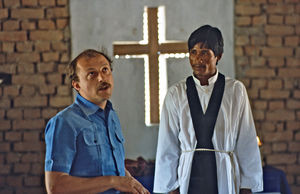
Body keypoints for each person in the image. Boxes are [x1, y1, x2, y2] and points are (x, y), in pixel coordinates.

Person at [153, 25, 263, 194]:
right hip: (189, 176)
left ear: (218, 56)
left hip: (223, 174)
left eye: (205, 52)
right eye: (193, 52)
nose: (198, 59)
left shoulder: (235, 91)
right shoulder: (176, 94)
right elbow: (167, 145)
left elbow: (246, 141)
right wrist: (170, 187)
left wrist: (247, 186)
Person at [44, 49, 149, 194]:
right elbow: (55, 186)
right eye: (92, 74)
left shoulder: (111, 116)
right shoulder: (64, 122)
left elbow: (112, 165)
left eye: (105, 70)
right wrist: (113, 181)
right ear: (77, 85)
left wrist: (132, 183)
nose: (101, 78)